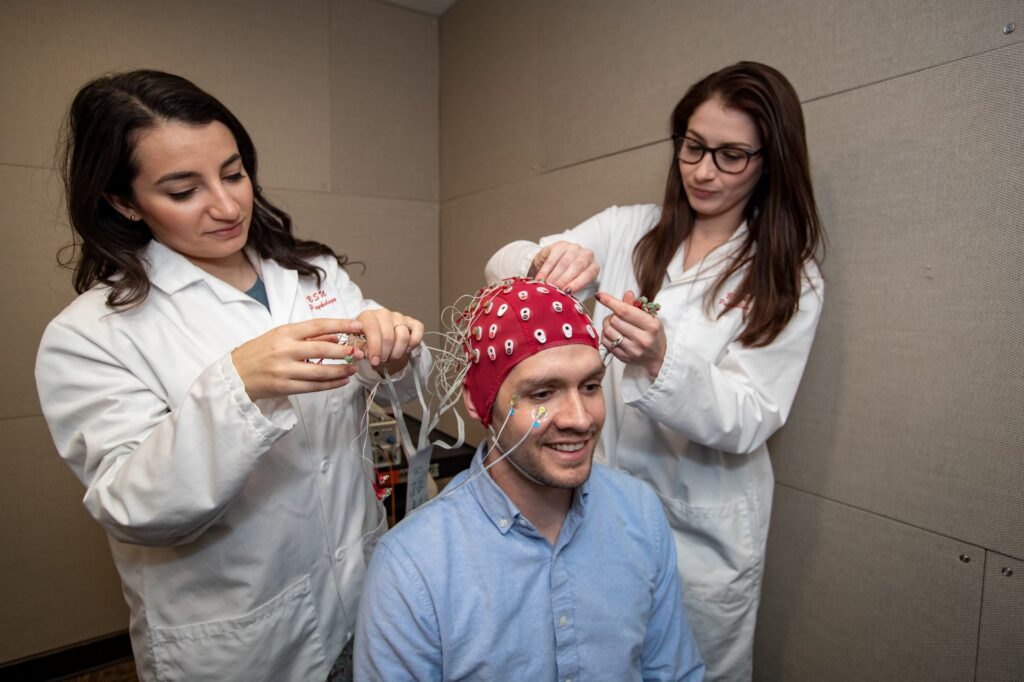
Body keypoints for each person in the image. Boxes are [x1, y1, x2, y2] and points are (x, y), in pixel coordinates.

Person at [35, 70, 426, 682]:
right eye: (183, 190)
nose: (226, 206)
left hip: (360, 588)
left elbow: (394, 390)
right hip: (245, 635)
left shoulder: (313, 275)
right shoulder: (91, 334)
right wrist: (238, 386)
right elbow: (135, 507)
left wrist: (395, 356)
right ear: (123, 202)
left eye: (234, 173)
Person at [485, 62, 824, 681]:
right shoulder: (628, 230)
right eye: (693, 147)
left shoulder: (788, 276)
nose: (703, 171)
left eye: (730, 156)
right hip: (597, 506)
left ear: (770, 160)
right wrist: (545, 260)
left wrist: (661, 360)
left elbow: (753, 415)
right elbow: (503, 264)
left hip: (700, 529)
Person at [354, 277, 705, 681]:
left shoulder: (639, 514)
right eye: (542, 394)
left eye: (590, 386)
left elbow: (674, 672)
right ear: (479, 402)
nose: (580, 419)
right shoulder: (413, 568)